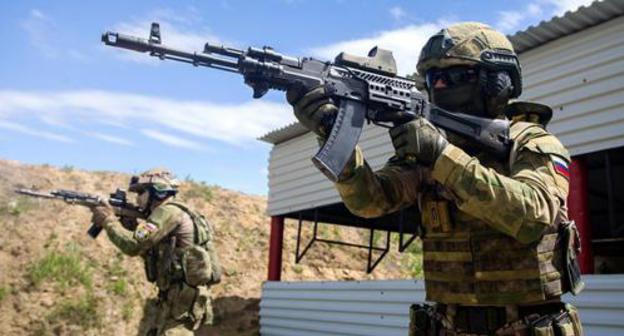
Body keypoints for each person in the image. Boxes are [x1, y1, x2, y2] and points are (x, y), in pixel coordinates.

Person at [288, 22, 583, 335]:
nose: (441, 86)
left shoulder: (530, 142)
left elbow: (533, 217)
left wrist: (442, 156)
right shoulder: (426, 150)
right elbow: (369, 201)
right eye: (433, 78)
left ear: (497, 82)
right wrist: (329, 128)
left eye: (455, 76)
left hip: (526, 325)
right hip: (445, 325)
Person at [91, 168, 221, 336]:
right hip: (178, 297)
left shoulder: (167, 212)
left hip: (180, 299)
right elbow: (153, 251)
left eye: (141, 192)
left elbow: (133, 246)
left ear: (157, 192)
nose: (137, 198)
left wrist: (108, 221)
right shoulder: (181, 211)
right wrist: (130, 226)